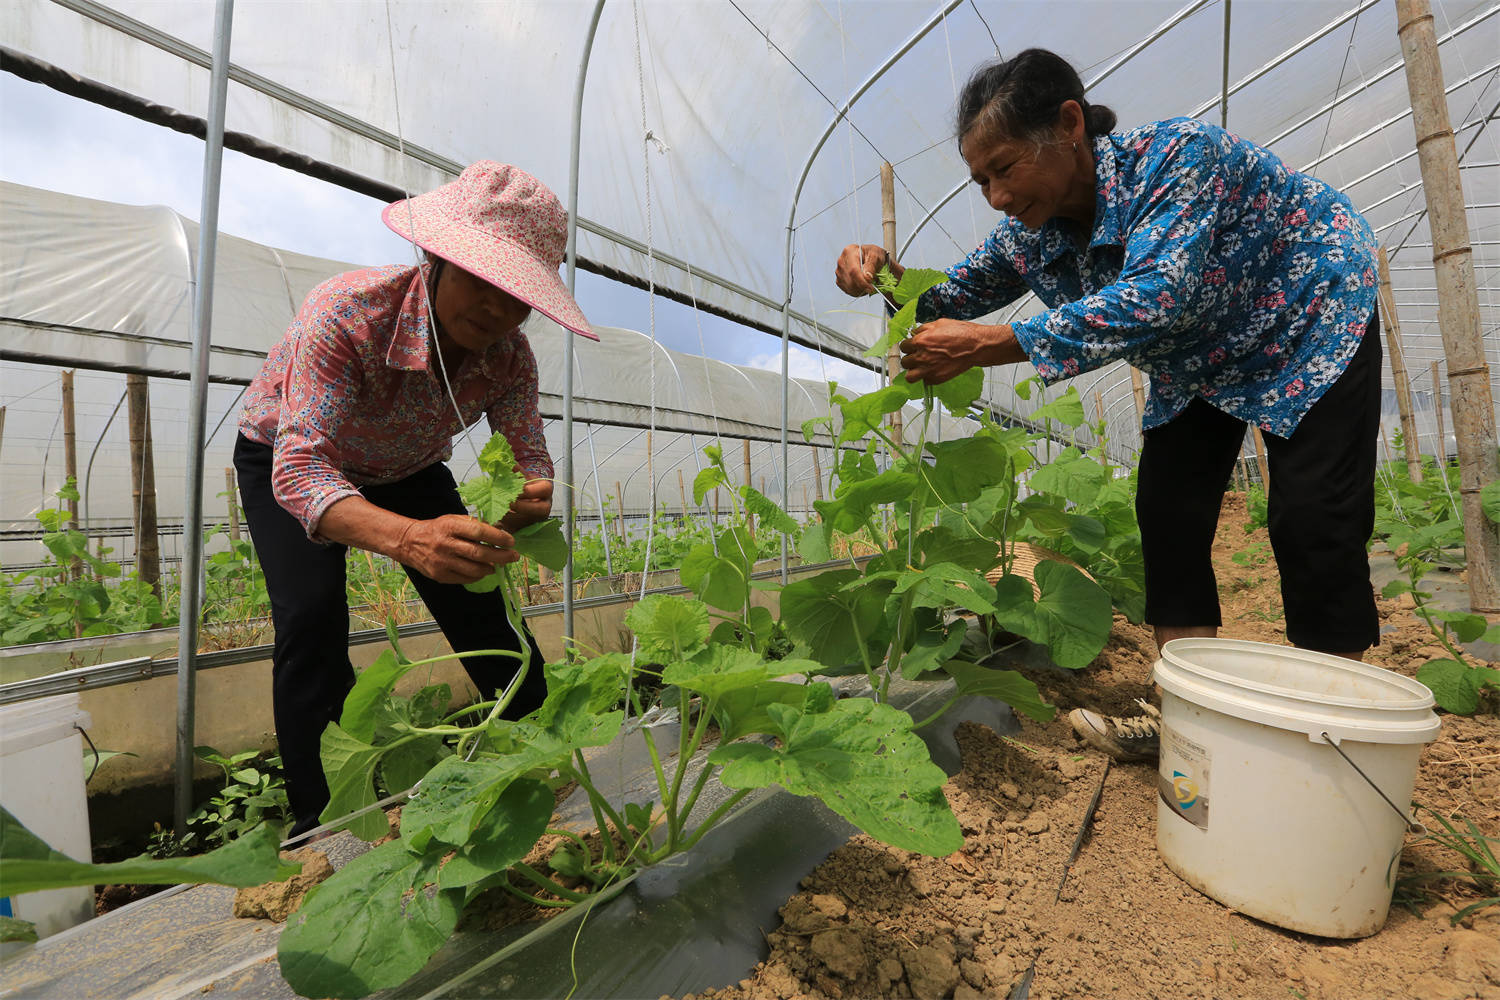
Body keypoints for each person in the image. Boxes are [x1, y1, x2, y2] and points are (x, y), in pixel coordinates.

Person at [834, 49, 1381, 762]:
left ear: (1067, 125)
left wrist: (992, 345)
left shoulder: (1181, 157)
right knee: (1168, 512)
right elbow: (936, 299)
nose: (996, 196)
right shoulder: (1028, 234)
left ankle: (1333, 739)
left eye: (1004, 168)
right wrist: (876, 273)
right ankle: (1185, 718)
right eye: (981, 181)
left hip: (1307, 314)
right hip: (1197, 359)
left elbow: (1159, 294)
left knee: (1313, 518)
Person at [234, 162, 596, 838]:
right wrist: (407, 540)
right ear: (435, 258)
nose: (495, 307)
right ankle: (326, 820)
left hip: (407, 467)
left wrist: (528, 496)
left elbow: (529, 453)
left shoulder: (510, 359)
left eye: (517, 293)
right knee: (311, 617)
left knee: (483, 608)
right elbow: (303, 467)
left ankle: (542, 759)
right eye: (479, 279)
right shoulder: (347, 313)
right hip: (293, 456)